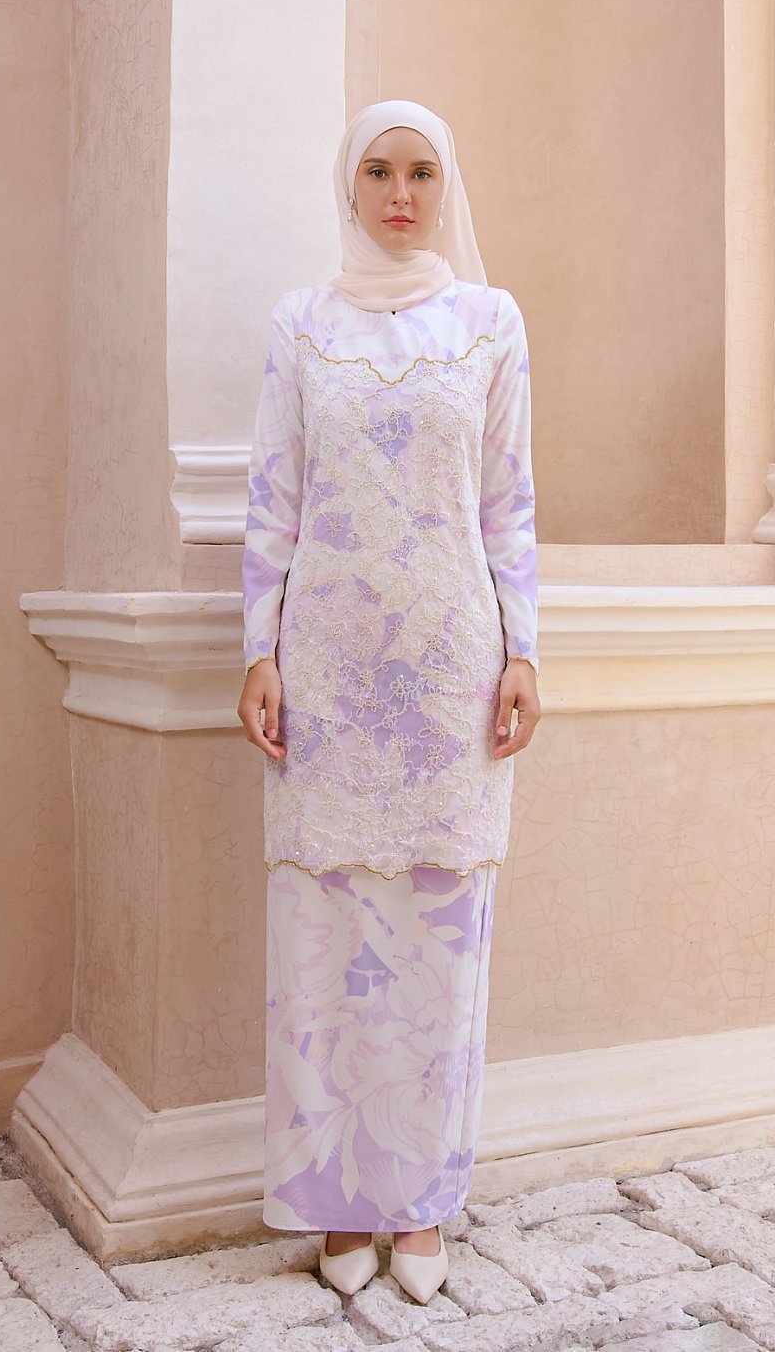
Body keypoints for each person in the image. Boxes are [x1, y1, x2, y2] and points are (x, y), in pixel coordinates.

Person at [237, 100, 540, 1305]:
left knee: (438, 933)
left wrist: (522, 653)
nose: (399, 193)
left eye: (419, 171)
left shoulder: (489, 323)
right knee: (321, 934)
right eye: (377, 170)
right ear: (349, 185)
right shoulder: (299, 325)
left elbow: (506, 505)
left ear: (443, 185)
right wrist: (257, 652)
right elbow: (273, 501)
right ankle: (335, 1198)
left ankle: (418, 1202)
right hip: (325, 677)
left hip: (450, 677)